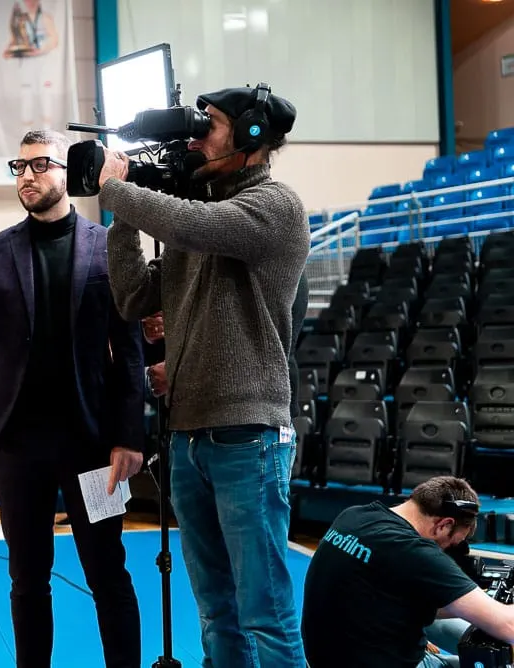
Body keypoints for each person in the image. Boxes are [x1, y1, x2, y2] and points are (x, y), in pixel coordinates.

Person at [97, 84, 309, 666]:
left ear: (250, 137)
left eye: (207, 125)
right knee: (216, 608)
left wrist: (117, 187)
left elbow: (194, 224)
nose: (193, 137)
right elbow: (135, 295)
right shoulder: (198, 218)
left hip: (247, 435)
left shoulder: (273, 206)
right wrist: (119, 218)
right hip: (189, 437)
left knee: (265, 613)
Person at [0, 129, 146, 668]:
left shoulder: (106, 246)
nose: (28, 176)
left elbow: (129, 351)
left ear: (67, 172)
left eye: (40, 165)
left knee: (108, 569)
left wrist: (130, 436)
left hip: (94, 441)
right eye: (20, 167)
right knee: (27, 576)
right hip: (18, 444)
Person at [302, 476, 514, 667]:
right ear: (444, 525)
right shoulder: (413, 551)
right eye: (450, 543)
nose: (444, 550)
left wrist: (480, 602)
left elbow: (400, 596)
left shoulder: (353, 516)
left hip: (329, 655)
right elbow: (508, 625)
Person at [3, 0, 59, 135]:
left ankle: (47, 135)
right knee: (26, 98)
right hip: (27, 65)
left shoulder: (45, 18)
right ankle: (26, 135)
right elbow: (15, 39)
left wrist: (41, 49)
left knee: (45, 98)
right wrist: (9, 50)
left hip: (43, 64)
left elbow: (54, 39)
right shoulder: (20, 19)